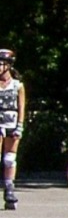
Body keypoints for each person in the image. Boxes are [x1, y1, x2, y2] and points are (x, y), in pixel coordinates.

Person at [0, 49, 25, 209]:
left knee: (9, 159)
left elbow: (22, 106)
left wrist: (20, 125)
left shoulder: (17, 85)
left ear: (8, 65)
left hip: (12, 122)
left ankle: (9, 189)